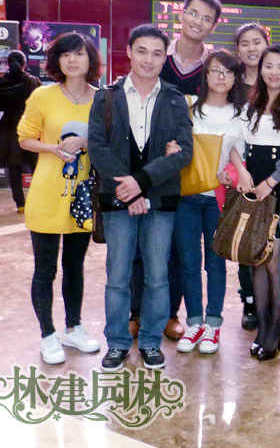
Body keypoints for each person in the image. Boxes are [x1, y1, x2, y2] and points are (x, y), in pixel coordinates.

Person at [88, 24, 193, 372]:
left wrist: (141, 182)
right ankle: (117, 343)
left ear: (165, 58)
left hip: (160, 201)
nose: (149, 59)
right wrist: (128, 187)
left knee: (158, 275)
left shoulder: (175, 100)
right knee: (117, 276)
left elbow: (184, 152)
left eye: (157, 53)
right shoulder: (106, 97)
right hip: (117, 198)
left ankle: (150, 341)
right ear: (130, 52)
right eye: (142, 51)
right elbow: (99, 148)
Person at [130, 0, 221, 343]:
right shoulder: (158, 58)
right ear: (181, 15)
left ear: (213, 26)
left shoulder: (214, 68)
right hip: (150, 165)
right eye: (193, 13)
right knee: (144, 245)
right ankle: (136, 314)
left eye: (206, 18)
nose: (198, 21)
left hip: (190, 169)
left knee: (179, 250)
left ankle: (170, 314)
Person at [18, 33, 101, 365]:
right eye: (65, 54)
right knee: (45, 269)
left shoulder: (102, 99)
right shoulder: (43, 95)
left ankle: (73, 327)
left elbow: (109, 142)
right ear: (57, 61)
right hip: (47, 194)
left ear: (90, 59)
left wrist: (86, 142)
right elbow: (25, 138)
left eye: (79, 54)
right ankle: (48, 334)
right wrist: (52, 148)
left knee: (74, 267)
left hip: (84, 198)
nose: (72, 60)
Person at [231, 44, 280, 361]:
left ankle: (274, 328)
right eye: (268, 66)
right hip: (253, 192)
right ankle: (263, 328)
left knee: (274, 262)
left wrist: (270, 183)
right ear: (260, 70)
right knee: (256, 260)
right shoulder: (249, 105)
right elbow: (234, 145)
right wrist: (240, 170)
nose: (274, 72)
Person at [171, 50, 244, 355]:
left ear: (235, 78)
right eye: (215, 71)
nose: (220, 77)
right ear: (205, 75)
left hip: (218, 199)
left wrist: (231, 175)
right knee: (188, 262)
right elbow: (173, 143)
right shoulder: (188, 107)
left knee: (215, 263)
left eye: (227, 72)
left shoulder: (241, 115)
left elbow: (240, 157)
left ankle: (213, 324)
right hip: (186, 197)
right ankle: (194, 322)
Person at [233, 22, 271, 330]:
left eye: (257, 42)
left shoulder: (277, 80)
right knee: (244, 237)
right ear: (238, 50)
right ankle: (248, 300)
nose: (251, 48)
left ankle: (269, 302)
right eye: (245, 43)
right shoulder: (232, 85)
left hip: (271, 174)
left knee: (270, 240)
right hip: (239, 172)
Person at [0, 50, 40, 212]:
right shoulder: (33, 81)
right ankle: (38, 201)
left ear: (7, 64)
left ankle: (20, 204)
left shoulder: (0, 83)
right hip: (31, 126)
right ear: (24, 64)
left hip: (9, 128)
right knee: (36, 165)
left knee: (14, 166)